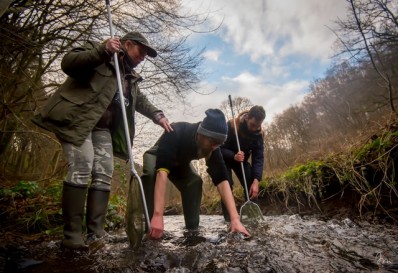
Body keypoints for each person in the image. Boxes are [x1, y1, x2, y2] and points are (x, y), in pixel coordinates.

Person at [32, 32, 173, 250]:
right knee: (82, 165)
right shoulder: (99, 53)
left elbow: (140, 101)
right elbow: (68, 63)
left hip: (102, 129)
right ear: (127, 44)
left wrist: (158, 115)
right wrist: (103, 50)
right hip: (77, 120)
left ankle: (95, 233)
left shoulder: (129, 77)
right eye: (141, 52)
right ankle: (72, 236)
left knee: (105, 171)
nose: (143, 57)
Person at [141, 109, 250, 239]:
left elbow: (222, 180)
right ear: (201, 133)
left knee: (195, 182)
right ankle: (149, 227)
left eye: (219, 144)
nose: (215, 147)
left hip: (179, 164)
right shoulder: (175, 131)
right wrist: (158, 215)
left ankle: (192, 231)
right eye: (213, 142)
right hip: (157, 158)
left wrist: (235, 219)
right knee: (150, 176)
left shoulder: (213, 147)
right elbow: (162, 172)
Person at [220, 105, 265, 221]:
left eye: (257, 126)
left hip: (241, 160)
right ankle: (229, 220)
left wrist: (256, 180)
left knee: (251, 182)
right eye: (252, 125)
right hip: (225, 158)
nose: (254, 128)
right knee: (227, 185)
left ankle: (253, 217)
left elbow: (258, 158)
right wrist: (233, 156)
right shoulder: (231, 125)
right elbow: (219, 148)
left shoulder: (259, 135)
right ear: (247, 118)